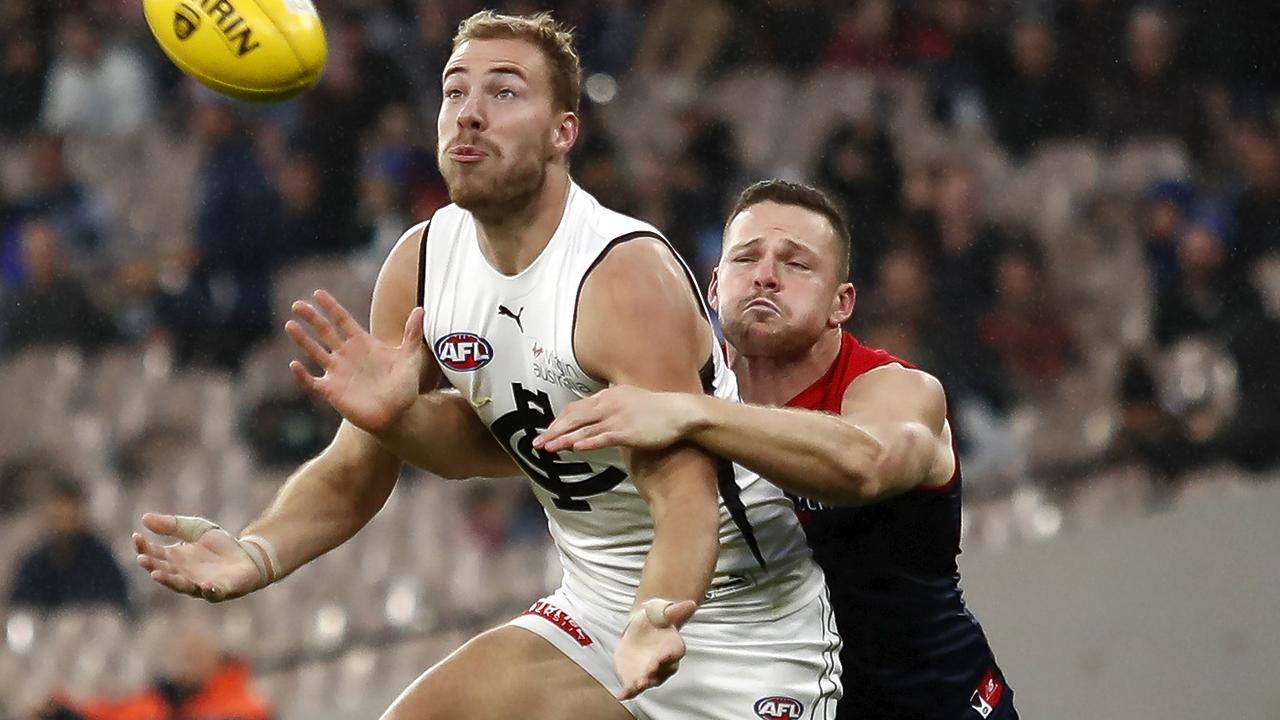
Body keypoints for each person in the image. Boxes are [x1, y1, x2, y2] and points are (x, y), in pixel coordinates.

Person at [133, 12, 839, 720]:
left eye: (504, 93)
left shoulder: (621, 276)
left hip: (741, 619)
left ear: (563, 132)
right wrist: (255, 553)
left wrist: (655, 616)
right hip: (596, 610)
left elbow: (686, 500)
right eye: (454, 91)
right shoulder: (422, 265)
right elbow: (355, 474)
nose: (469, 114)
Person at [535, 180, 1018, 720]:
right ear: (713, 288)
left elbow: (865, 464)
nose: (765, 275)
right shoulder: (675, 394)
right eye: (746, 258)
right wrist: (420, 415)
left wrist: (694, 414)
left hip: (936, 707)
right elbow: (535, 433)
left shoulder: (897, 389)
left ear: (842, 303)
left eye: (796, 264)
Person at [9, 475, 129, 613]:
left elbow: (114, 605)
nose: (61, 525)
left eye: (67, 517)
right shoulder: (35, 562)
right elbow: (19, 608)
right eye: (56, 517)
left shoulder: (100, 559)